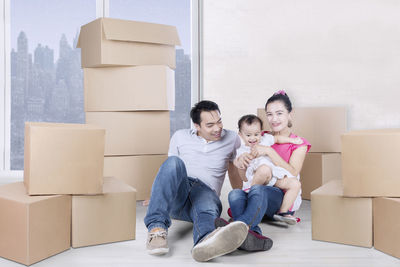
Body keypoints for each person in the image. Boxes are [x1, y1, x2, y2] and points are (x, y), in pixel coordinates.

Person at [144, 100, 248, 262]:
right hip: (181, 192)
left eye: (219, 121)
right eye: (210, 124)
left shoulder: (232, 138)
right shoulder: (180, 136)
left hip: (207, 193)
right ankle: (156, 229)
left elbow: (233, 169)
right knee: (173, 162)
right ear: (197, 126)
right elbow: (169, 171)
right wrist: (157, 196)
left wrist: (239, 203)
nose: (217, 128)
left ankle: (205, 241)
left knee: (206, 208)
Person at [216, 90, 311, 251]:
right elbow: (245, 179)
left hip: (279, 195)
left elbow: (293, 172)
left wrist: (269, 152)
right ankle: (252, 235)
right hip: (256, 191)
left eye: (279, 113)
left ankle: (235, 229)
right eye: (270, 114)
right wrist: (242, 163)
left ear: (290, 114)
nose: (274, 119)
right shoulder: (257, 136)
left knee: (258, 191)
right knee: (235, 194)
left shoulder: (298, 143)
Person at [234, 114, 303, 224]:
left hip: (274, 177)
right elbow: (239, 165)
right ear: (240, 135)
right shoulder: (242, 150)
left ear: (261, 132)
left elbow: (277, 138)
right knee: (264, 169)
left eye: (256, 134)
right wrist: (240, 161)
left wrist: (292, 140)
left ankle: (283, 212)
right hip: (257, 178)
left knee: (295, 184)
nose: (253, 138)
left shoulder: (265, 140)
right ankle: (250, 194)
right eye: (248, 135)